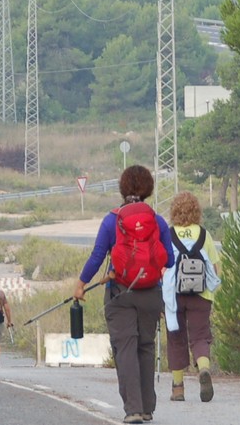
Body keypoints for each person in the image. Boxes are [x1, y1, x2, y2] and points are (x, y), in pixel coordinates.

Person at [74, 165, 175, 425]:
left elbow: (98, 255)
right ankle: (148, 408)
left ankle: (133, 410)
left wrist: (82, 283)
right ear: (149, 189)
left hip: (119, 291)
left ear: (122, 188)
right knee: (145, 346)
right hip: (150, 292)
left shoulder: (112, 220)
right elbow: (170, 260)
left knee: (125, 348)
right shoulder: (157, 221)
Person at [162, 191, 221, 403]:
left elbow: (161, 266)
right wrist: (211, 292)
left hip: (174, 296)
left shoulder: (168, 235)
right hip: (201, 294)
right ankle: (203, 368)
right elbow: (215, 267)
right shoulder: (204, 235)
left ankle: (178, 389)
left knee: (176, 338)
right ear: (197, 211)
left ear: (174, 212)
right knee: (200, 336)